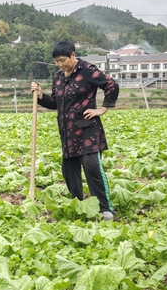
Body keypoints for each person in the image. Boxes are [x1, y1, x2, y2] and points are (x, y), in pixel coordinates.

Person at [31, 39, 119, 220]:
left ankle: (105, 209)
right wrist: (41, 96)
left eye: (63, 60)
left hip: (87, 130)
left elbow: (111, 85)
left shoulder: (88, 70)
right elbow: (56, 102)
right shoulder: (58, 76)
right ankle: (78, 206)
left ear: (73, 55)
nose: (60, 64)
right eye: (56, 61)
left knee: (92, 168)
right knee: (69, 172)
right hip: (67, 133)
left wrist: (102, 109)